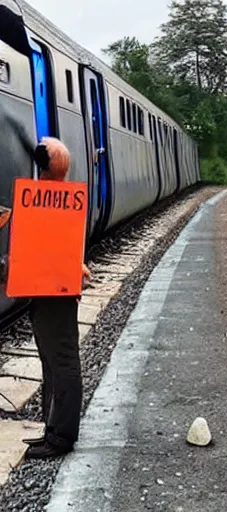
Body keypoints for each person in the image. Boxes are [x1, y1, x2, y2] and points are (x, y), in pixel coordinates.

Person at [19, 137, 91, 459]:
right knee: (51, 359)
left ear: (46, 166)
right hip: (44, 290)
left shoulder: (56, 202)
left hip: (56, 292)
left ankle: (61, 437)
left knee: (61, 360)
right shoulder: (52, 201)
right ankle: (52, 428)